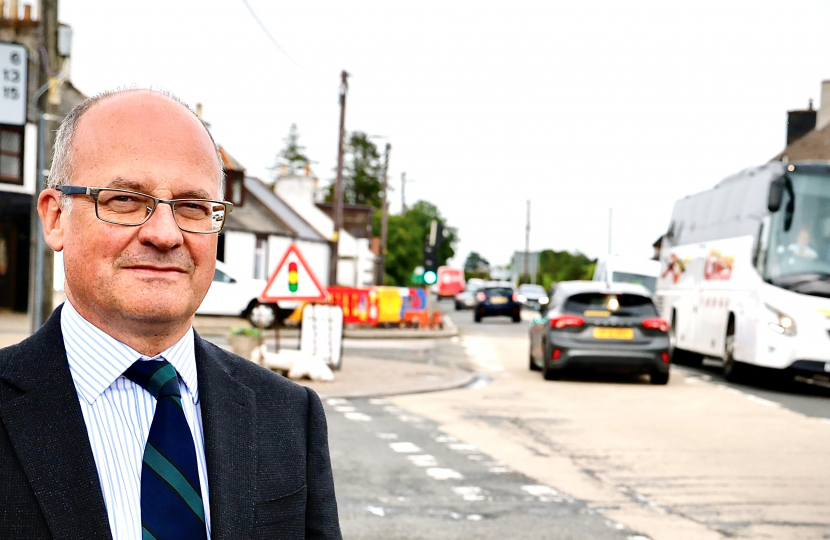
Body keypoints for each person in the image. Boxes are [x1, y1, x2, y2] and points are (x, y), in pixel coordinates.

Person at [0, 89, 342, 540]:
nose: (164, 234)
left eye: (193, 207)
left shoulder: (288, 415)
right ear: (55, 217)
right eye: (123, 199)